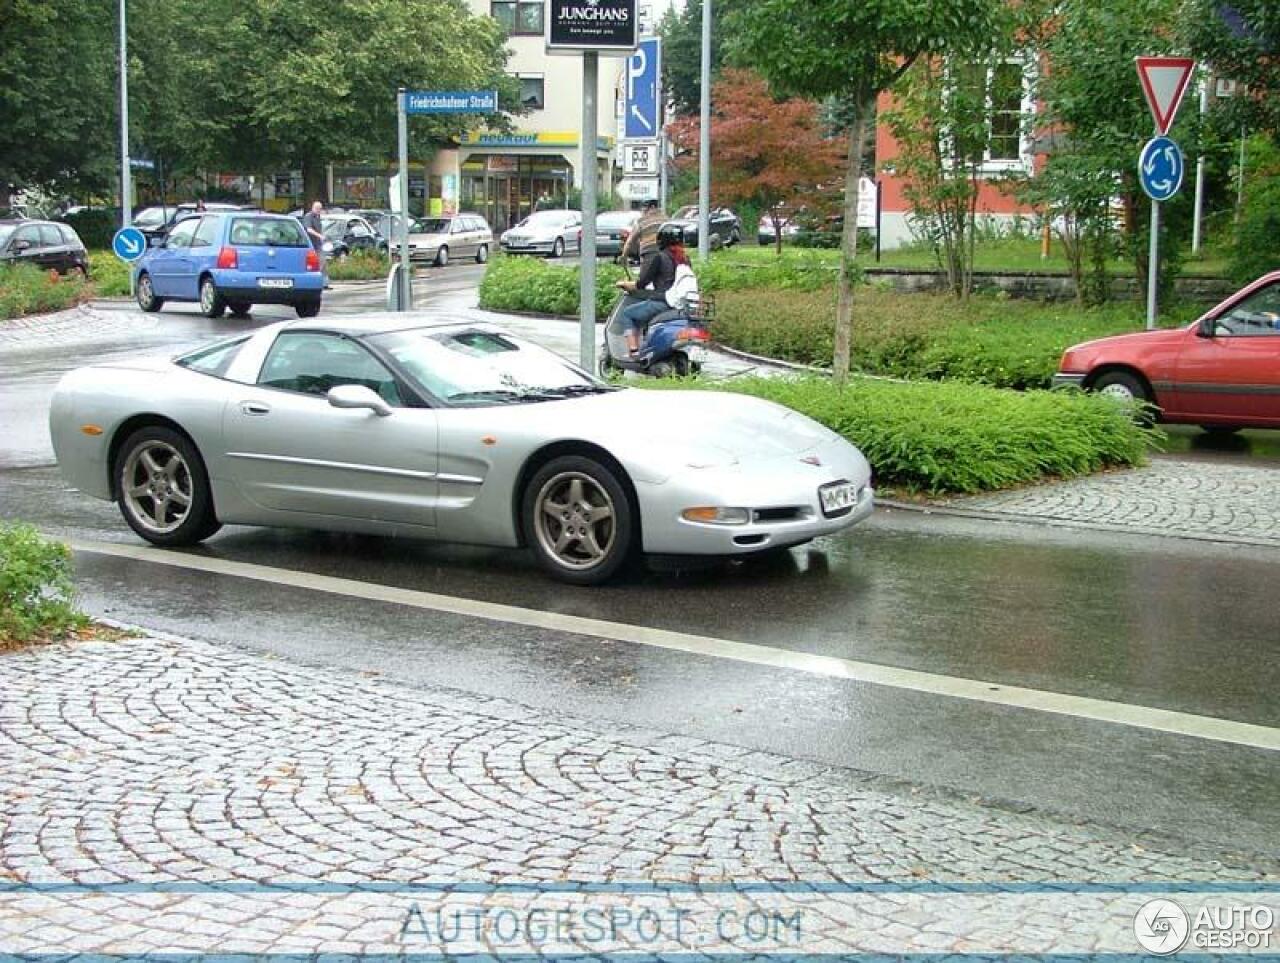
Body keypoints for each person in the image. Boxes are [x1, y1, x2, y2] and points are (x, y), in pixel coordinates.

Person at [615, 224, 694, 356]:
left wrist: (624, 284)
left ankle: (633, 351)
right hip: (680, 304)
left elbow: (642, 282)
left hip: (662, 302)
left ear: (661, 239)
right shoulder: (685, 259)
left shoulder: (659, 257)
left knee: (627, 314)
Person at [619, 199, 664, 268]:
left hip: (648, 253)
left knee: (645, 278)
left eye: (644, 209)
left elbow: (630, 241)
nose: (643, 212)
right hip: (665, 255)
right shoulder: (667, 220)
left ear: (652, 207)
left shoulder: (641, 222)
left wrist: (624, 256)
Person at [301, 200, 330, 289]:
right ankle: (315, 283)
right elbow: (309, 229)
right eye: (317, 208)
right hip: (310, 245)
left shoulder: (318, 217)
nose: (318, 210)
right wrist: (320, 236)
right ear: (313, 208)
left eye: (320, 208)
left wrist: (323, 238)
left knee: (323, 263)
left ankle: (324, 283)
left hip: (318, 244)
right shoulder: (308, 216)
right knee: (314, 264)